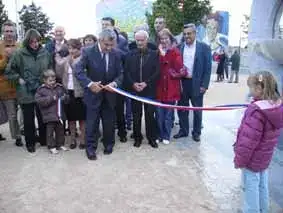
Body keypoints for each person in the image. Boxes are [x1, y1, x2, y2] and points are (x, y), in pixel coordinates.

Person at [233, 71, 283, 213]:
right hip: (264, 157)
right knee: (262, 185)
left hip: (252, 159)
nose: (250, 91)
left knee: (251, 187)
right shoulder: (275, 107)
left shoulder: (257, 112)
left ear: (260, 89)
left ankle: (252, 210)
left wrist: (240, 160)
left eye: (251, 88)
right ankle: (263, 209)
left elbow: (248, 141)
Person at [75, 29, 123, 160]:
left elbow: (121, 74)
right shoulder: (88, 51)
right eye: (106, 45)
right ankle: (90, 148)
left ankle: (109, 144)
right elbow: (78, 70)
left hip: (110, 95)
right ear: (100, 40)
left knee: (109, 122)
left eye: (111, 45)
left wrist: (114, 84)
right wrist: (90, 84)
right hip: (93, 94)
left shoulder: (116, 53)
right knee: (92, 123)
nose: (109, 48)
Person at [5, 29, 52, 153]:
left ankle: (44, 139)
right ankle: (30, 143)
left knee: (43, 116)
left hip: (42, 89)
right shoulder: (19, 54)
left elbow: (50, 68)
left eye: (37, 41)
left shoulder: (45, 53)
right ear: (27, 41)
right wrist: (18, 78)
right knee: (28, 118)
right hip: (26, 91)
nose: (35, 44)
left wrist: (49, 80)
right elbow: (9, 72)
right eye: (32, 41)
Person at [174, 23, 212, 142]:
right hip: (182, 83)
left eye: (189, 33)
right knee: (182, 108)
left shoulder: (204, 48)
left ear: (195, 33)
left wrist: (204, 85)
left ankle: (196, 132)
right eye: (185, 34)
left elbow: (208, 68)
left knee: (197, 110)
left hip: (197, 84)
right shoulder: (179, 47)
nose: (187, 36)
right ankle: (183, 130)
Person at [125, 30, 160, 148]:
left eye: (142, 40)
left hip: (149, 91)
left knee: (150, 115)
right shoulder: (129, 54)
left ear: (147, 40)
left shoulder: (154, 54)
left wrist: (146, 83)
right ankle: (137, 137)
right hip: (135, 91)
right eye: (137, 40)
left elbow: (157, 72)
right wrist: (133, 83)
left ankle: (151, 138)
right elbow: (126, 72)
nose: (139, 43)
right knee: (136, 115)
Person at [56, 39, 86, 149]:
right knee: (71, 119)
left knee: (83, 119)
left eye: (74, 48)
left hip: (81, 93)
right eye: (69, 48)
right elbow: (61, 74)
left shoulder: (83, 59)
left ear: (79, 48)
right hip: (69, 92)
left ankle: (83, 140)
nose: (71, 50)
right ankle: (72, 140)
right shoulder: (66, 60)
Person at [156, 28, 184, 145]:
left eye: (166, 38)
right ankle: (159, 134)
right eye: (161, 39)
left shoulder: (175, 51)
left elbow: (178, 67)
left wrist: (164, 55)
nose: (164, 41)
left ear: (170, 38)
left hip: (171, 87)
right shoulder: (158, 52)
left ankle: (166, 135)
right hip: (159, 87)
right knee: (158, 114)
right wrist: (161, 54)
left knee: (168, 115)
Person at [35, 70, 69, 154]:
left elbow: (66, 97)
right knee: (50, 132)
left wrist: (65, 98)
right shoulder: (41, 90)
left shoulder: (59, 87)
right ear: (44, 80)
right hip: (49, 115)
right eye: (50, 81)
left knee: (60, 130)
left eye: (54, 80)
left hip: (59, 114)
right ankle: (51, 146)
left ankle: (60, 144)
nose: (52, 82)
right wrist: (51, 98)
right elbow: (39, 101)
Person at [0, 20, 22, 146]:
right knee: (12, 114)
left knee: (24, 112)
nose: (9, 33)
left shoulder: (20, 47)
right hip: (5, 87)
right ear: (3, 32)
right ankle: (17, 137)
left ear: (15, 32)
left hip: (20, 86)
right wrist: (6, 59)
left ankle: (24, 131)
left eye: (11, 31)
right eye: (6, 31)